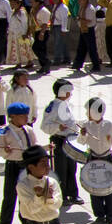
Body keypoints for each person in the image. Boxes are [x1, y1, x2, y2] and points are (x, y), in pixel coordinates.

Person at [0, 101, 38, 224]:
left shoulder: (28, 130)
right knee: (9, 196)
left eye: (26, 115)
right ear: (12, 116)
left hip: (26, 166)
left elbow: (34, 146)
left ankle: (26, 221)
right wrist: (5, 151)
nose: (26, 118)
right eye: (23, 116)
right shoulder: (5, 132)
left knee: (26, 196)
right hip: (13, 165)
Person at [40, 78, 84, 208]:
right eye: (68, 91)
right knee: (61, 169)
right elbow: (45, 126)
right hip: (59, 140)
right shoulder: (53, 106)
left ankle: (73, 193)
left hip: (71, 140)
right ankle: (62, 195)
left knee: (72, 168)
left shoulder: (68, 105)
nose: (70, 94)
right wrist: (58, 128)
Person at [80, 96, 112, 224]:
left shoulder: (110, 125)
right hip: (93, 158)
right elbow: (81, 142)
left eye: (88, 111)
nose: (87, 114)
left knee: (109, 187)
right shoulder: (86, 125)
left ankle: (111, 215)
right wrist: (82, 134)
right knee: (94, 187)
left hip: (107, 158)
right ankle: (99, 214)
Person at [71, 0, 102, 72]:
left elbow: (89, 20)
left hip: (89, 30)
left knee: (92, 49)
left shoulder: (90, 8)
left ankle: (96, 65)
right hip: (83, 29)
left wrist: (79, 19)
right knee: (81, 48)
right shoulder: (82, 7)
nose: (79, 1)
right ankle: (77, 64)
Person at [30, 0, 52, 73]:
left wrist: (42, 33)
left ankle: (46, 62)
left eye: (32, 1)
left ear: (37, 2)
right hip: (37, 31)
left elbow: (45, 24)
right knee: (41, 49)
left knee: (36, 48)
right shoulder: (34, 10)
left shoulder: (44, 11)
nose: (31, 3)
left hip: (43, 31)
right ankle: (44, 66)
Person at [51, 0, 71, 66]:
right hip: (56, 26)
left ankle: (57, 59)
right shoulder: (56, 6)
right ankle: (66, 58)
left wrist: (63, 29)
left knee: (58, 44)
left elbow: (64, 19)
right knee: (63, 43)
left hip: (60, 27)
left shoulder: (63, 8)